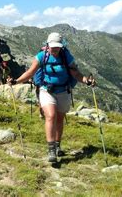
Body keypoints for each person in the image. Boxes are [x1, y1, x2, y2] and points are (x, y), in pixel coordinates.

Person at [7, 32, 95, 163]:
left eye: (57, 47)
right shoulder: (42, 56)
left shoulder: (66, 56)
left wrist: (87, 81)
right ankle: (51, 149)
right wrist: (16, 81)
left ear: (61, 46)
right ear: (47, 45)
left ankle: (58, 144)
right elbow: (30, 72)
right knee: (51, 116)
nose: (55, 49)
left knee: (59, 119)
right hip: (46, 90)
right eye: (53, 47)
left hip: (64, 91)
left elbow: (75, 73)